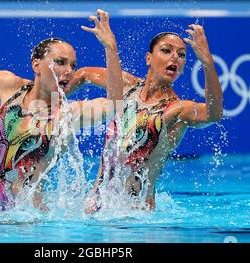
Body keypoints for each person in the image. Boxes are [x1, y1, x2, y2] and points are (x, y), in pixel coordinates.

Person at [0, 9, 123, 211]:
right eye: (60, 62)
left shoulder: (67, 115)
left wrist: (111, 49)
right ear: (36, 64)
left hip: (27, 221)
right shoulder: (11, 87)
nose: (69, 71)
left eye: (72, 65)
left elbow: (114, 103)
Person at [68, 24, 223, 212]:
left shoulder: (177, 109)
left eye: (182, 54)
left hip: (137, 216)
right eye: (166, 50)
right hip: (95, 206)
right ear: (148, 58)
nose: (175, 57)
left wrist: (207, 61)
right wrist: (51, 101)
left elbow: (213, 114)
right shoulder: (125, 88)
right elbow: (85, 74)